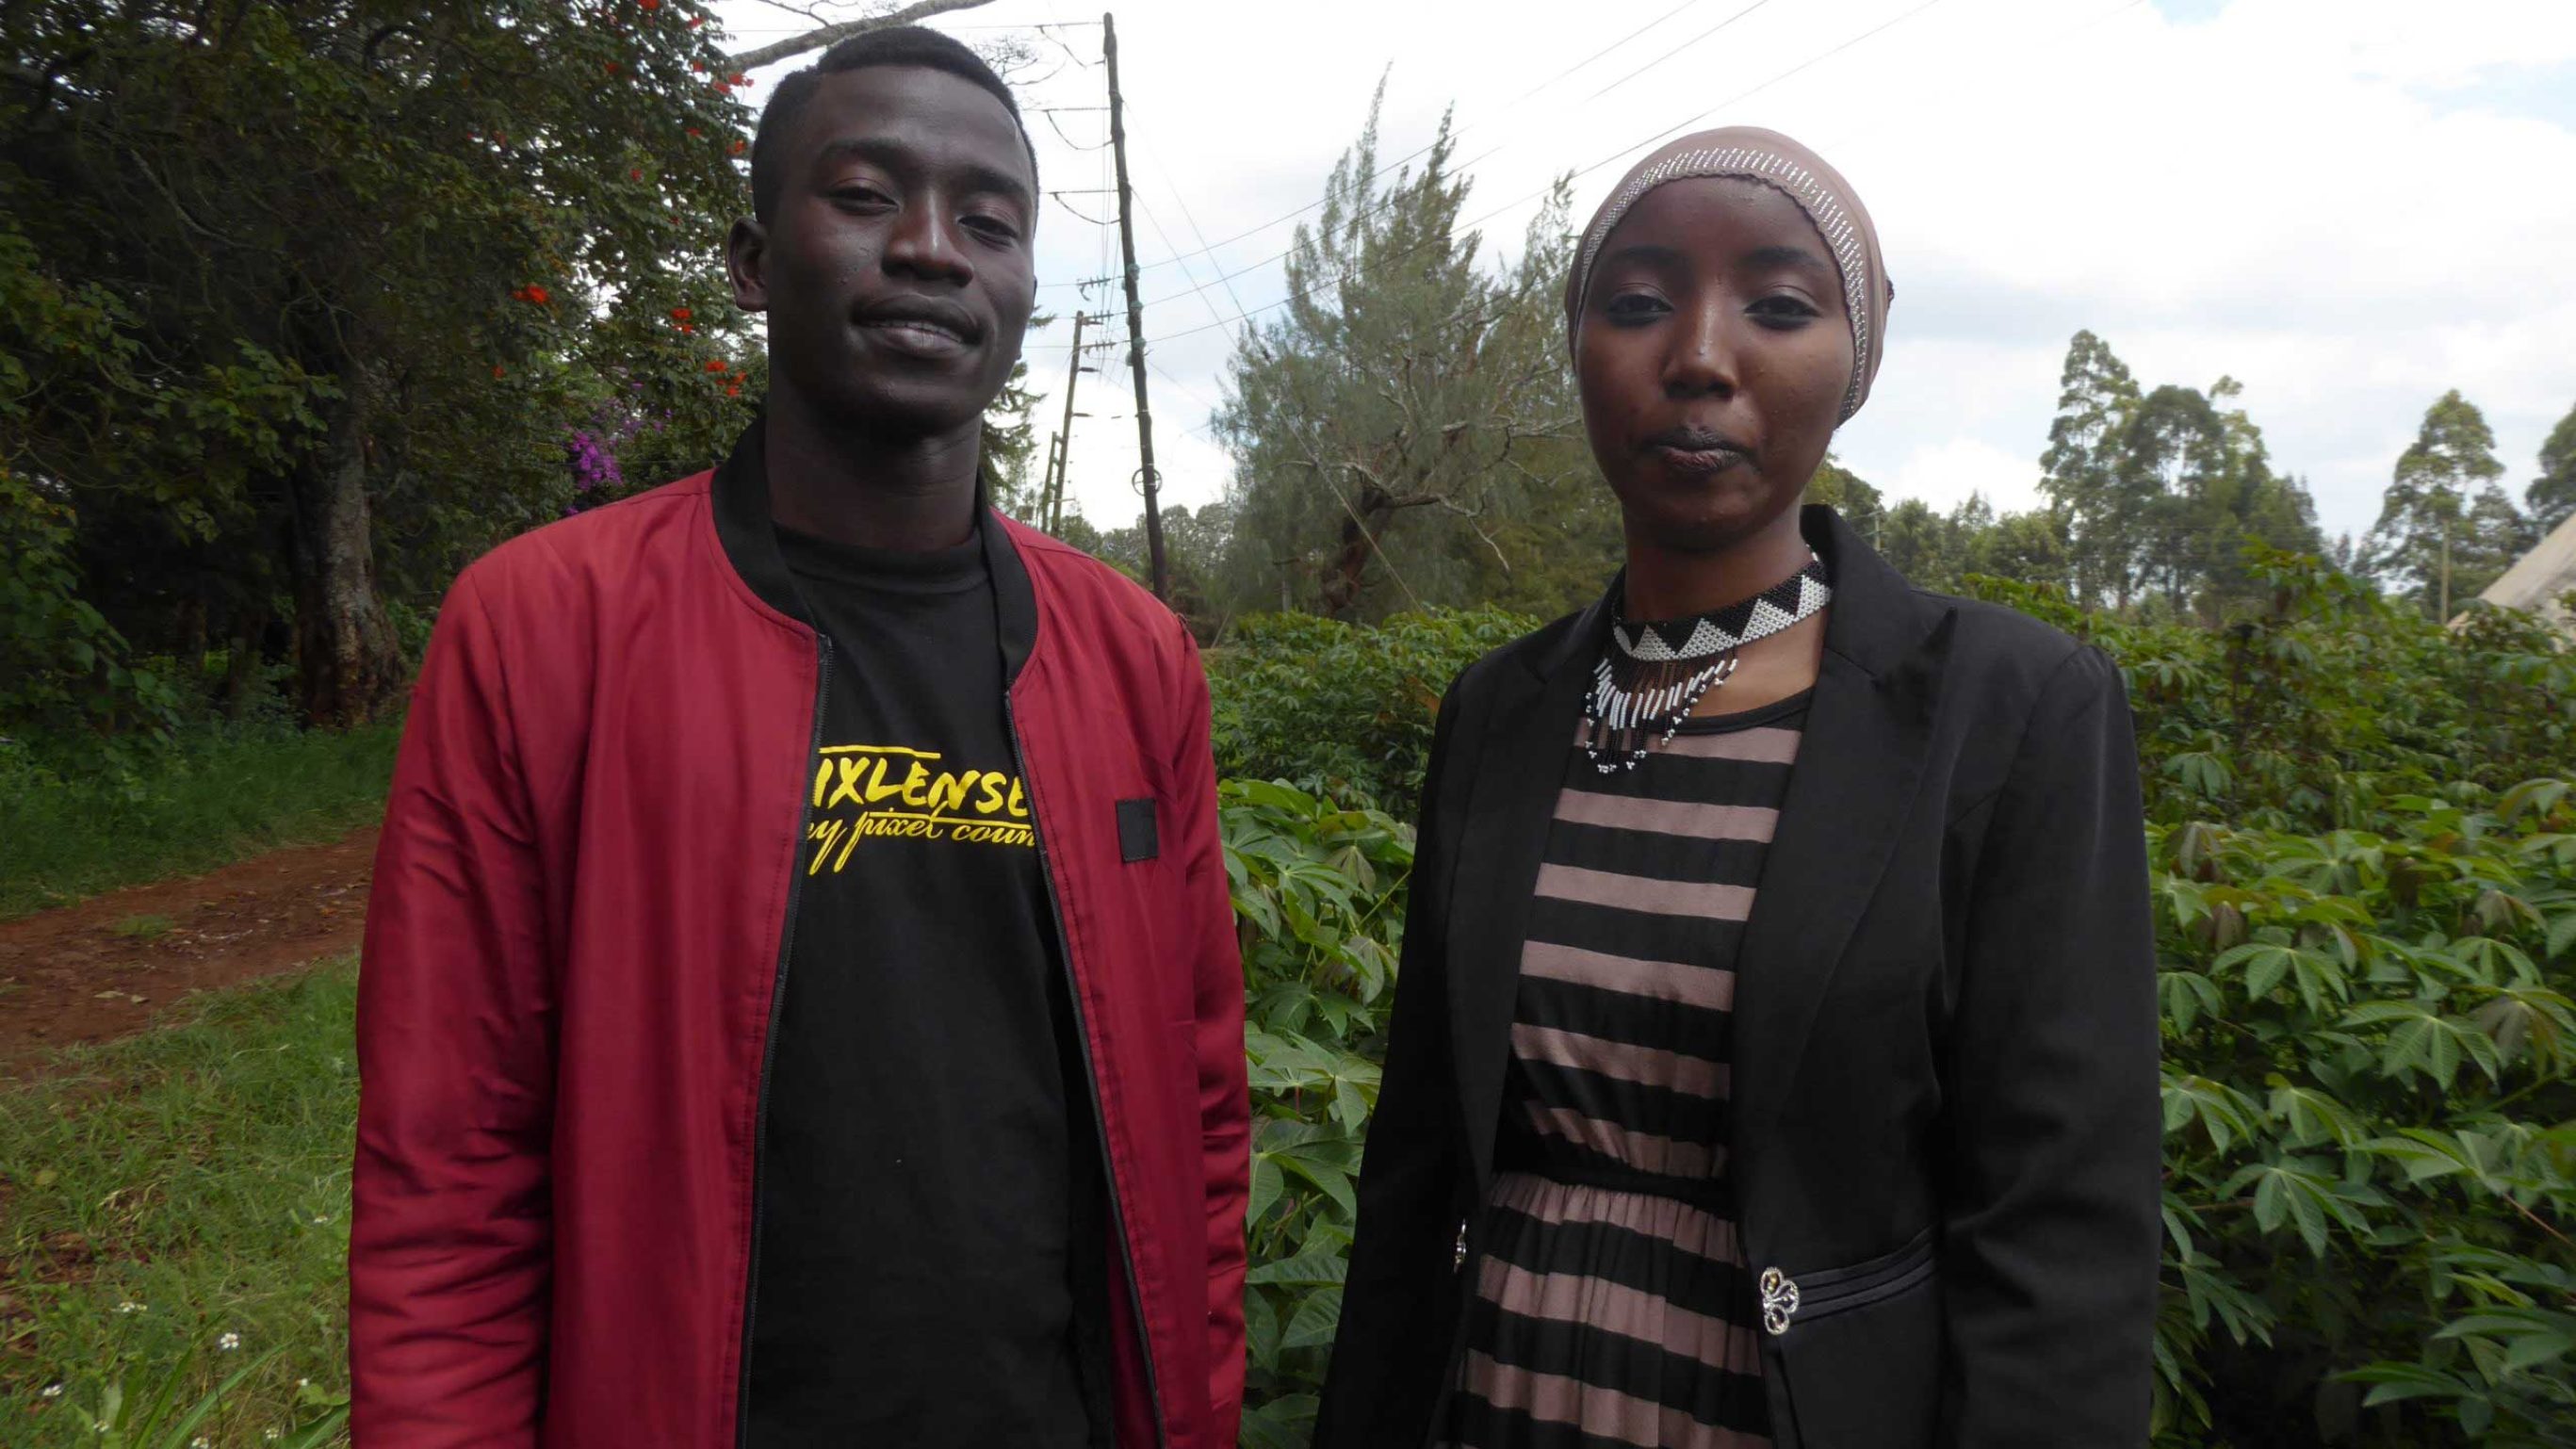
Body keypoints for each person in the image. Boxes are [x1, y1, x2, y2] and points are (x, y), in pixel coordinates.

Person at [349, 27, 1247, 1448]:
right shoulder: (541, 630)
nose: (933, 249)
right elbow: (447, 1161)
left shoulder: (1134, 659)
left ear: (1020, 285)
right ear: (754, 260)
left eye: (990, 220)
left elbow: (1196, 1122)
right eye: (866, 194)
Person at [1315, 126, 2159, 1449]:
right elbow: (1418, 1162)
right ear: (1580, 346)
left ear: (1855, 359)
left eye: (1777, 305)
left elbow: (2060, 1226)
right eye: (1638, 302)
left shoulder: (2009, 709)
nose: (1699, 355)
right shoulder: (1499, 709)